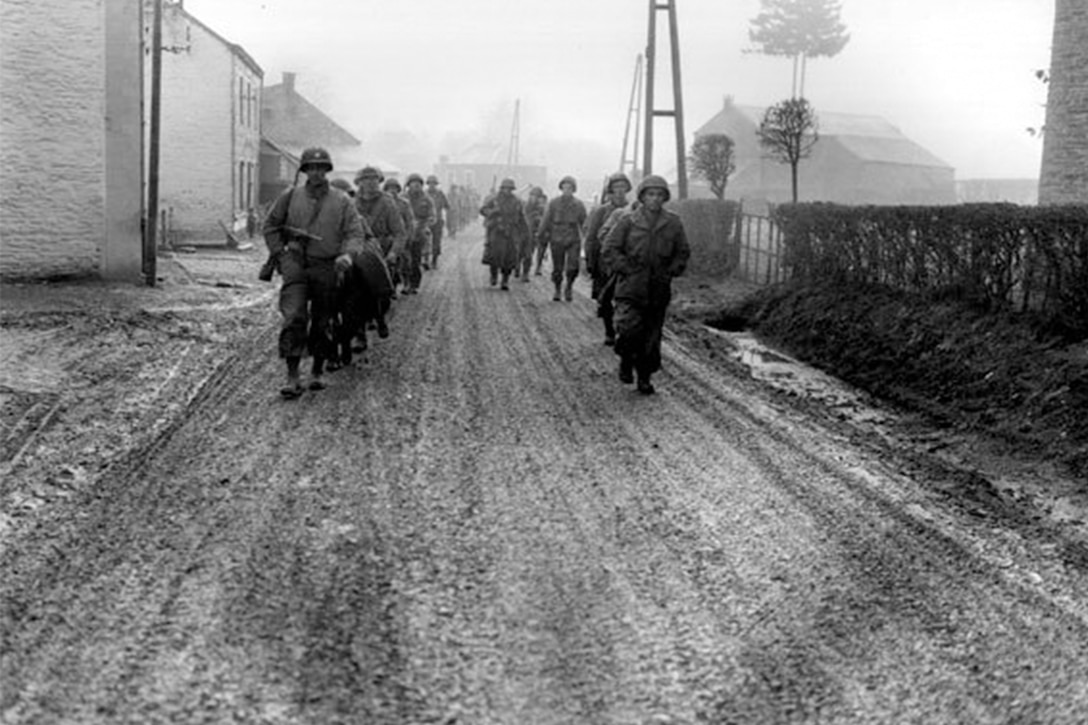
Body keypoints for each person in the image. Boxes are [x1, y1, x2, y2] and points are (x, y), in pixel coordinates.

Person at [262, 147, 366, 398]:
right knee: (294, 316)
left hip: (327, 265)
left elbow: (355, 233)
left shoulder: (342, 200)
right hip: (296, 264)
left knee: (323, 319)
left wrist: (346, 255)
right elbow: (271, 226)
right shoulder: (290, 196)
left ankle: (317, 370)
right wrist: (281, 253)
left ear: (327, 170)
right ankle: (292, 375)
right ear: (305, 170)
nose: (316, 172)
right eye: (311, 168)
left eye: (321, 168)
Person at [601, 175, 690, 395]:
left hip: (658, 289)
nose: (655, 199)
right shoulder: (628, 221)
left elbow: (683, 251)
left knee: (651, 338)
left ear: (665, 197)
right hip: (630, 287)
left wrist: (672, 270)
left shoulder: (673, 223)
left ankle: (644, 377)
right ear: (642, 197)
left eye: (659, 195)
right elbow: (610, 249)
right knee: (628, 330)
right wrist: (626, 268)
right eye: (650, 194)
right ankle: (625, 359)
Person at [583, 172, 632, 346]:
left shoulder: (633, 209)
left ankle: (621, 330)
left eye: (622, 187)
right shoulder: (601, 211)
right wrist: (590, 260)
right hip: (604, 263)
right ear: (610, 190)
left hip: (624, 263)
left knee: (624, 299)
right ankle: (609, 331)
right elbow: (591, 238)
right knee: (604, 299)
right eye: (616, 187)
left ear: (627, 189)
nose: (619, 191)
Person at [536, 175, 587, 301]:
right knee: (558, 267)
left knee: (573, 267)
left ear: (574, 189)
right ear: (561, 188)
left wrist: (587, 238)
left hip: (573, 238)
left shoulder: (579, 205)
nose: (567, 190)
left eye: (570, 188)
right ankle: (557, 289)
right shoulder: (554, 203)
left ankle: (569, 286)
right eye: (565, 187)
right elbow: (546, 220)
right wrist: (541, 234)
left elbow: (585, 223)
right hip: (557, 237)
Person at [479, 177, 528, 290]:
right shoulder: (494, 199)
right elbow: (482, 210)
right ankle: (494, 275)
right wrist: (492, 212)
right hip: (497, 230)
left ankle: (505, 281)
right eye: (505, 188)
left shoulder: (516, 201)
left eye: (509, 189)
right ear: (502, 188)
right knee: (494, 255)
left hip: (511, 232)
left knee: (510, 257)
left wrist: (524, 231)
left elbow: (521, 217)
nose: (507, 191)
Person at [403, 173, 436, 292]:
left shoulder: (427, 199)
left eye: (418, 183)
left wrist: (425, 224)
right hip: (403, 232)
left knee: (415, 260)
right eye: (413, 183)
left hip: (419, 232)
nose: (416, 185)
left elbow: (432, 216)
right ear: (409, 185)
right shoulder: (403, 198)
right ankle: (405, 283)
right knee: (404, 260)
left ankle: (414, 284)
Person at [383, 176, 415, 294]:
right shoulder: (382, 203)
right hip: (386, 238)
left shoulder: (404, 204)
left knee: (405, 261)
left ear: (398, 190)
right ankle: (392, 287)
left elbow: (409, 222)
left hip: (401, 237)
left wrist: (408, 237)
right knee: (388, 264)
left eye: (395, 188)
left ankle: (407, 283)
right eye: (389, 188)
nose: (392, 190)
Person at [425, 174, 450, 270]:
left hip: (438, 221)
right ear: (427, 184)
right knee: (425, 241)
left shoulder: (440, 194)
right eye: (430, 183)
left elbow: (447, 206)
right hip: (426, 221)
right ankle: (426, 260)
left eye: (434, 183)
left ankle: (434, 261)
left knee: (436, 241)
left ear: (436, 184)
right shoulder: (424, 194)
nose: (432, 185)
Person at [525, 186, 548, 276]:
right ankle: (525, 271)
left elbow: (547, 217)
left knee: (541, 250)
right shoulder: (527, 205)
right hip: (529, 230)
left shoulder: (544, 206)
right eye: (532, 195)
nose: (534, 198)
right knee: (528, 252)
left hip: (541, 230)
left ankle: (538, 266)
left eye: (536, 196)